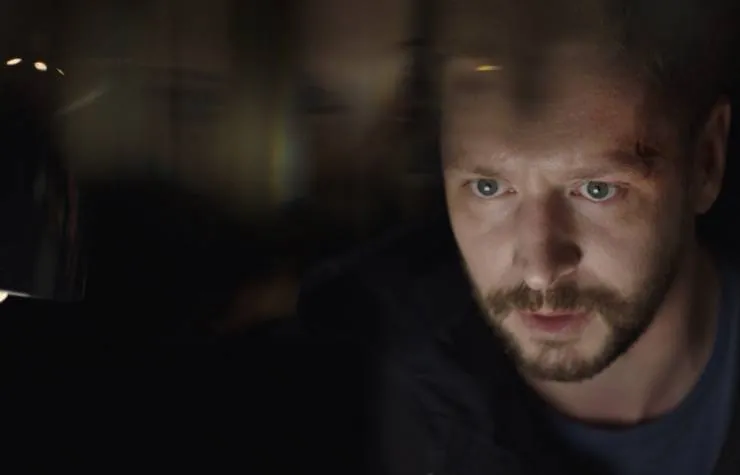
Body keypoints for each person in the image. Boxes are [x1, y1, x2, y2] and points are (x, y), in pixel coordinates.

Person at [298, 0, 740, 474]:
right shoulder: (350, 404)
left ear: (706, 162)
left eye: (597, 189)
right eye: (488, 188)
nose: (539, 270)